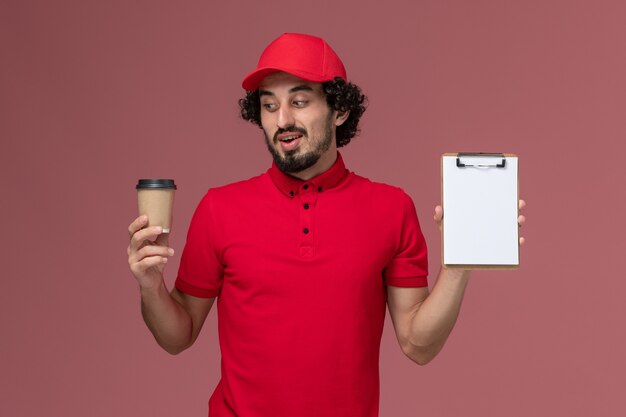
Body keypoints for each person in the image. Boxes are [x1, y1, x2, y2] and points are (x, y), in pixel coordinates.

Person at [127, 33, 526, 417]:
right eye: (269, 106)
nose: (283, 120)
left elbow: (418, 345)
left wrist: (457, 265)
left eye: (299, 101)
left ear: (339, 109)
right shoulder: (219, 208)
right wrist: (150, 285)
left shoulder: (392, 208)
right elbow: (177, 336)